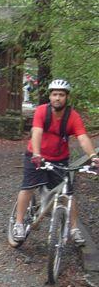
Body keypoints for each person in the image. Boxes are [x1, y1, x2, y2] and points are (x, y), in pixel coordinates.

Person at [12, 79, 99, 245]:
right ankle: (18, 223)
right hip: (36, 156)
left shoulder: (73, 116)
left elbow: (82, 138)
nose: (57, 98)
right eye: (54, 94)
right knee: (28, 187)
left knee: (68, 194)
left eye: (61, 95)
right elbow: (36, 132)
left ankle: (74, 229)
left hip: (60, 159)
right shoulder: (41, 111)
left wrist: (93, 156)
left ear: (66, 97)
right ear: (50, 96)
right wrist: (37, 154)